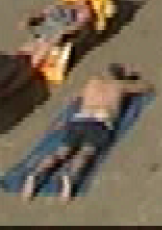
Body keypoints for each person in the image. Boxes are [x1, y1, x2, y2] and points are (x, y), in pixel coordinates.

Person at [19, 64, 153, 202]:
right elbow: (147, 87)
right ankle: (70, 177)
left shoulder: (92, 82)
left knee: (61, 153)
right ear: (121, 76)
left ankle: (35, 174)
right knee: (86, 152)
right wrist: (133, 81)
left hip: (78, 120)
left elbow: (75, 98)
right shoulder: (120, 86)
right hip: (100, 123)